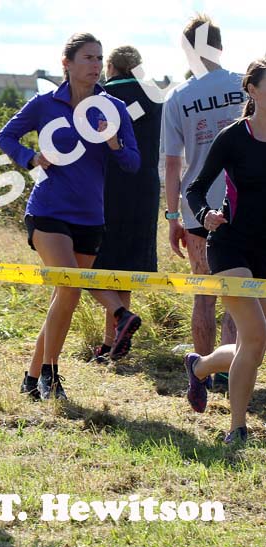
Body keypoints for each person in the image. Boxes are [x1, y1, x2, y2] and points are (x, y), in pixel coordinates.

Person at [0, 33, 141, 400]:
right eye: (88, 58)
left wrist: (112, 141)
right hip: (47, 210)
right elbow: (6, 137)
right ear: (68, 63)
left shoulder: (113, 109)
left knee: (66, 294)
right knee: (71, 284)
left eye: (99, 58)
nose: (95, 65)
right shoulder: (45, 104)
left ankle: (31, 379)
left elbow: (133, 163)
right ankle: (51, 373)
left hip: (90, 215)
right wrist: (30, 158)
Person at [184, 58, 266, 445]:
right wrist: (205, 214)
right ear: (252, 90)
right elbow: (196, 187)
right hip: (231, 245)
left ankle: (200, 366)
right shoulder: (233, 137)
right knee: (255, 335)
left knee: (254, 342)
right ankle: (237, 428)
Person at [162, 14, 243, 390]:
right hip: (243, 203)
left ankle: (206, 377)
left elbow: (173, 163)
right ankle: (227, 373)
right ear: (220, 46)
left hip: (197, 206)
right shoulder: (247, 85)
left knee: (204, 294)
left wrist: (172, 216)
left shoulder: (178, 96)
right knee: (238, 298)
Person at [90, 46, 162, 362]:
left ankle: (115, 330)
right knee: (127, 266)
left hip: (110, 185)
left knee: (99, 264)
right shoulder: (156, 96)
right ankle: (114, 341)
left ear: (110, 66)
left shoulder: (103, 96)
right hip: (145, 186)